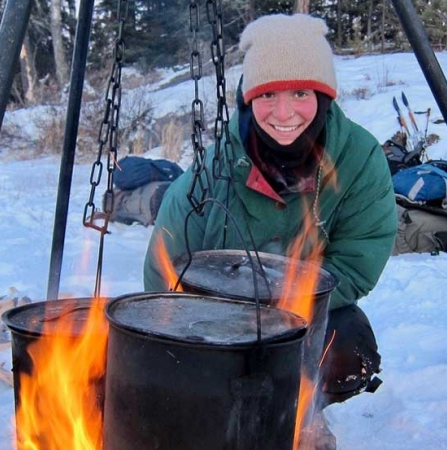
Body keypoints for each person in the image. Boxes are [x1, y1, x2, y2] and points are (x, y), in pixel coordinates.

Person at [143, 12, 396, 417]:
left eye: (300, 94)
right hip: (218, 320)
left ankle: (298, 415)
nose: (283, 114)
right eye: (267, 95)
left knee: (348, 348)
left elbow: (358, 258)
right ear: (249, 98)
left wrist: (286, 309)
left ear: (324, 97)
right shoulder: (210, 172)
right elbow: (163, 273)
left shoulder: (359, 159)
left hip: (303, 313)